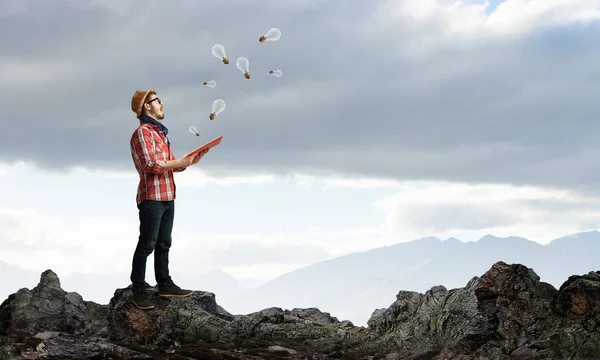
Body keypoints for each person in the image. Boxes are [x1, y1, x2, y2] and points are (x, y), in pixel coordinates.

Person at [128, 88, 209, 310]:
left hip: (167, 195)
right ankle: (138, 290)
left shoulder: (160, 133)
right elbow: (150, 165)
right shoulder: (143, 132)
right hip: (152, 197)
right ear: (147, 106)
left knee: (164, 243)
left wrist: (191, 161)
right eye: (158, 101)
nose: (162, 104)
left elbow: (172, 166)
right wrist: (180, 162)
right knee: (147, 244)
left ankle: (164, 284)